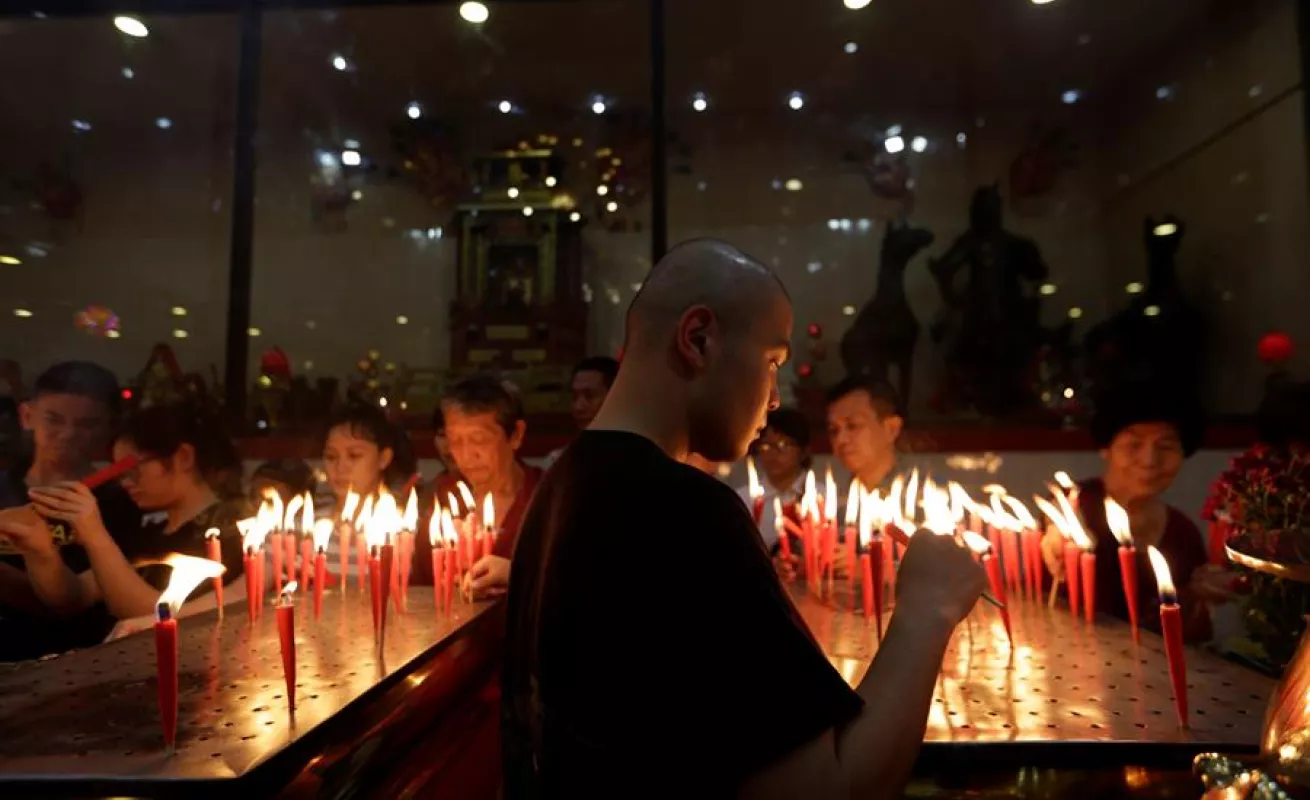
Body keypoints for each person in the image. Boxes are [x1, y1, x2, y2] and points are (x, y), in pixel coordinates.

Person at [502, 238, 986, 797]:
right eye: (772, 362)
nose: (775, 397)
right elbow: (829, 791)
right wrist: (928, 608)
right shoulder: (682, 509)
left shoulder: (561, 486)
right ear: (698, 339)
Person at [1, 405, 245, 626]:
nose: (126, 483)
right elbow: (74, 596)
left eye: (132, 469)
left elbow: (153, 615)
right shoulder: (149, 532)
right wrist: (41, 552)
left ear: (183, 457)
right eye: (120, 473)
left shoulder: (227, 529)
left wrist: (94, 534)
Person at [1042, 386, 1231, 642]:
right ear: (1106, 447)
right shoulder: (1073, 507)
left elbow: (1192, 639)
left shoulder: (1182, 532)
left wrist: (1203, 598)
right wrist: (1059, 543)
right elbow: (1054, 535)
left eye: (1166, 446)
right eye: (1134, 444)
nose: (1150, 460)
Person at [0, 361, 142, 660]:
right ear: (27, 415)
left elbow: (72, 602)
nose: (67, 435)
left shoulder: (120, 502)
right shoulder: (4, 485)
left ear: (107, 428)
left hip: (77, 660)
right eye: (53, 419)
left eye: (86, 424)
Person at [437, 374, 542, 599]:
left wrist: (518, 574)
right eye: (455, 441)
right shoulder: (443, 500)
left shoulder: (547, 499)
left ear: (516, 435)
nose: (465, 456)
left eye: (479, 439)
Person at [320, 404, 409, 582]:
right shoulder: (305, 529)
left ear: (383, 458)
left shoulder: (403, 531)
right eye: (331, 457)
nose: (340, 467)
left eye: (354, 455)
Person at [738, 407, 812, 550]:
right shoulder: (744, 499)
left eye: (784, 445)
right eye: (766, 445)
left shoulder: (821, 496)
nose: (774, 453)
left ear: (804, 451)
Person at [825, 375, 904, 492]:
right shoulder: (831, 503)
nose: (840, 439)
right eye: (833, 430)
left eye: (853, 426)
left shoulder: (927, 501)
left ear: (891, 429)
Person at [544, 356, 620, 467]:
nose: (578, 407)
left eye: (590, 396)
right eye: (574, 397)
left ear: (614, 397)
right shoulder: (559, 463)